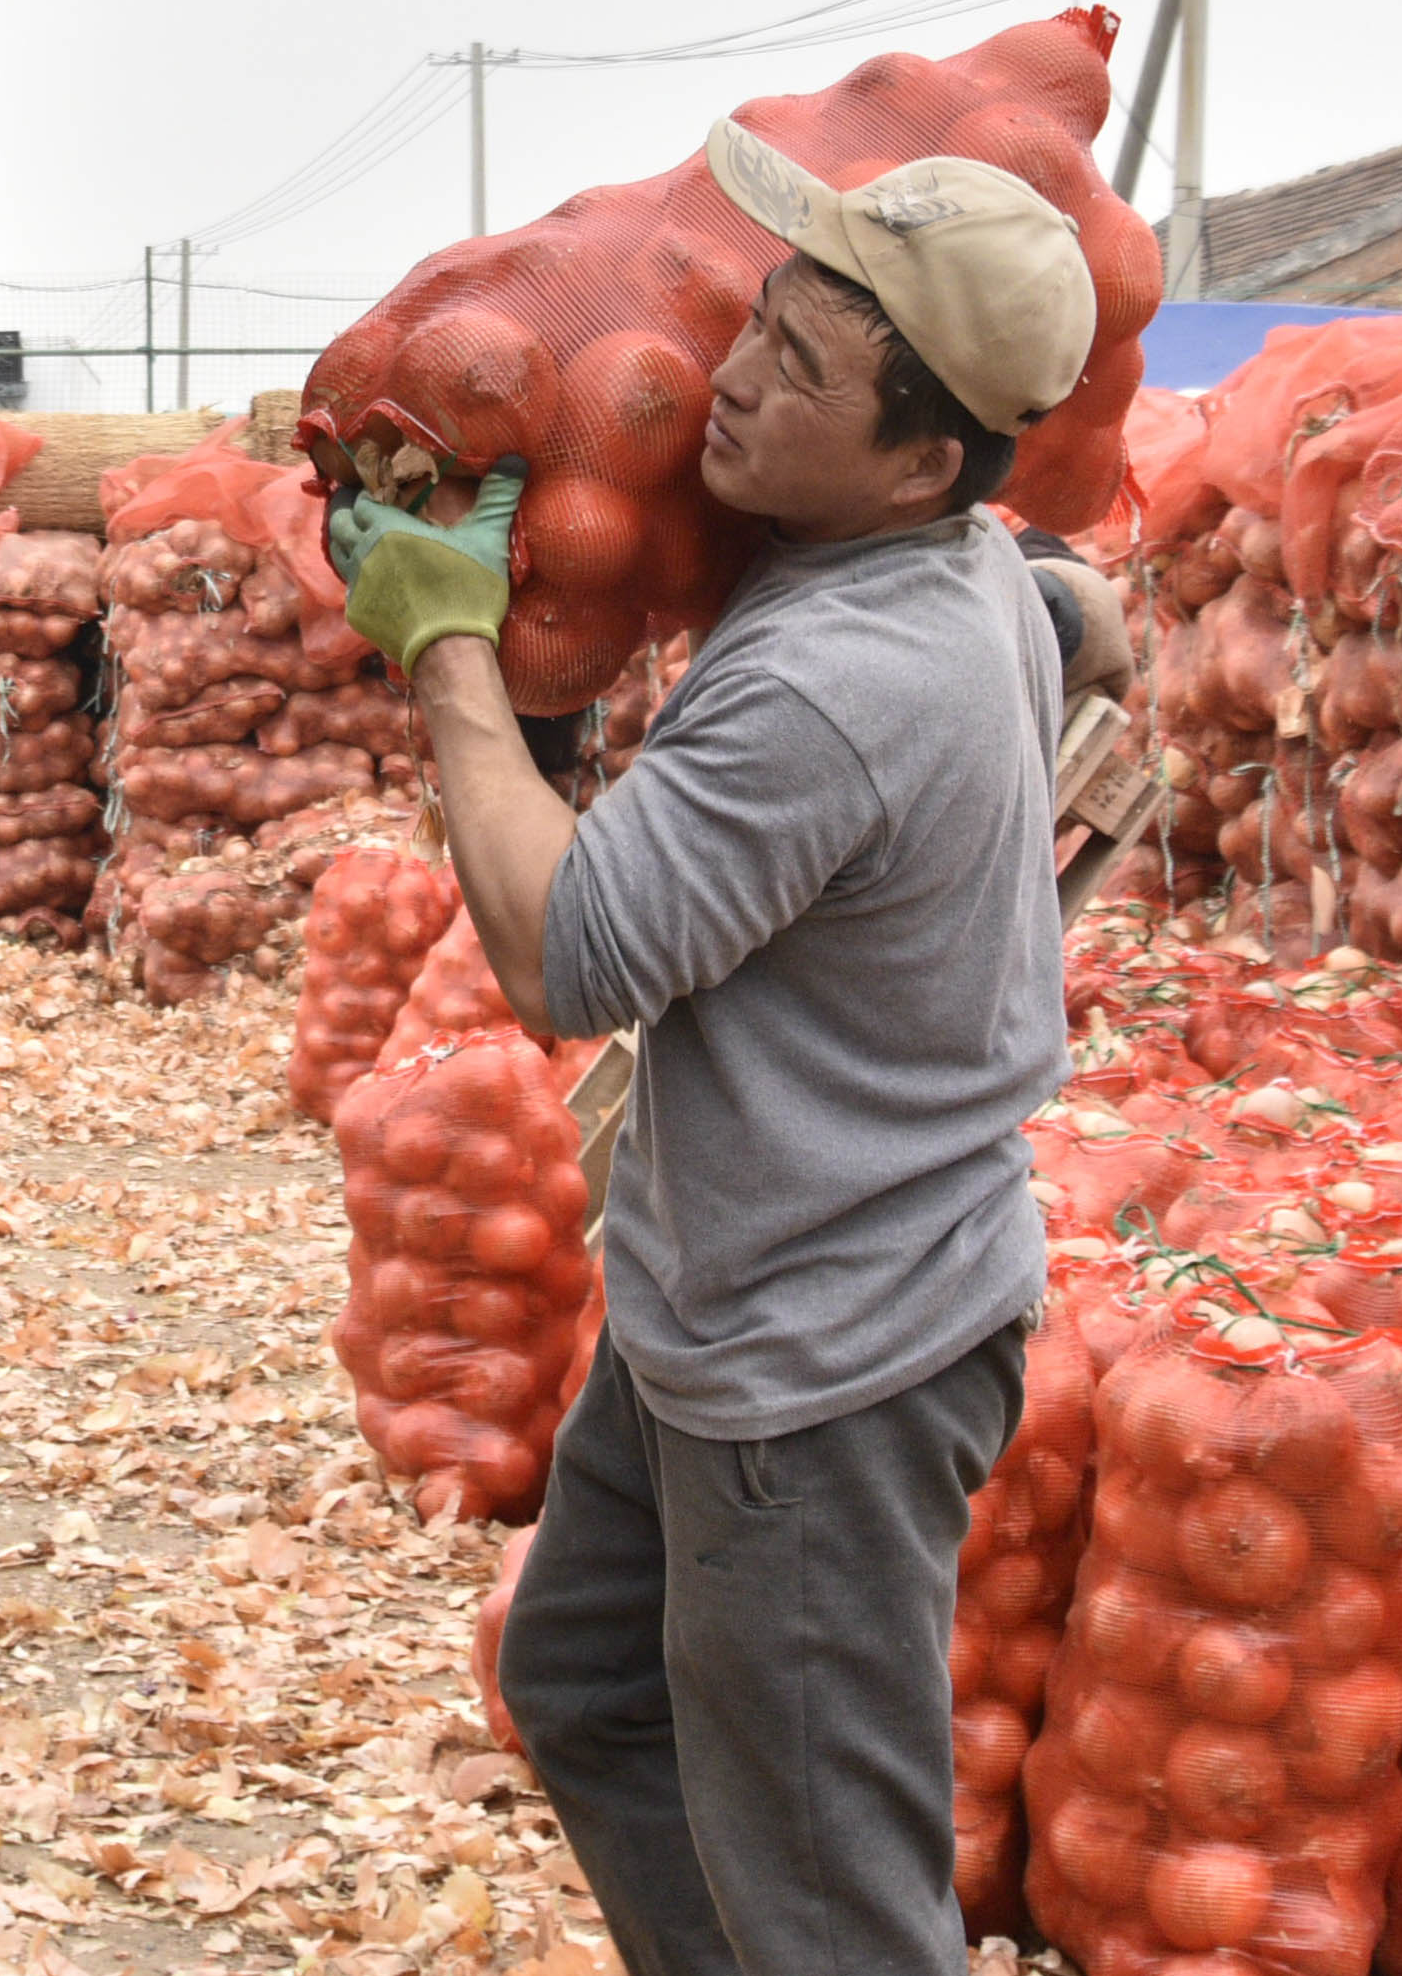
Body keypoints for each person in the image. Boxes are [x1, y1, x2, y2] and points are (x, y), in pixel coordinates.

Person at [322, 121, 1113, 1976]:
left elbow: (567, 957)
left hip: (821, 1362)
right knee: (585, 1675)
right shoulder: (952, 564)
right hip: (734, 1296)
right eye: (767, 323)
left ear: (927, 454)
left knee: (835, 1903)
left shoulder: (838, 680)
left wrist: (450, 652)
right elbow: (1063, 599)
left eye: (807, 373)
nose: (741, 379)